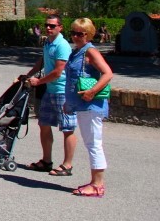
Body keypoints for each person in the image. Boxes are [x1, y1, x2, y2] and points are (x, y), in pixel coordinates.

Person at [65, 17, 114, 197]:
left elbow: (108, 73)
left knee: (94, 143)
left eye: (80, 34)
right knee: (90, 142)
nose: (76, 36)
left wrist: (92, 91)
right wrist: (68, 102)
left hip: (91, 105)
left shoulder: (90, 51)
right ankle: (95, 182)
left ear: (89, 34)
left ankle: (97, 184)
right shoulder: (76, 52)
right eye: (73, 33)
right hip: (81, 105)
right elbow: (72, 80)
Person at [23, 14, 77, 176]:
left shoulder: (62, 45)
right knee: (44, 124)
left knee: (67, 128)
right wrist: (28, 74)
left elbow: (58, 72)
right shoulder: (48, 43)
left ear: (60, 27)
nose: (48, 28)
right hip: (50, 90)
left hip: (62, 91)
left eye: (52, 26)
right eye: (47, 25)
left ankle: (67, 165)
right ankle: (47, 161)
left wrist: (38, 82)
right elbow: (43, 61)